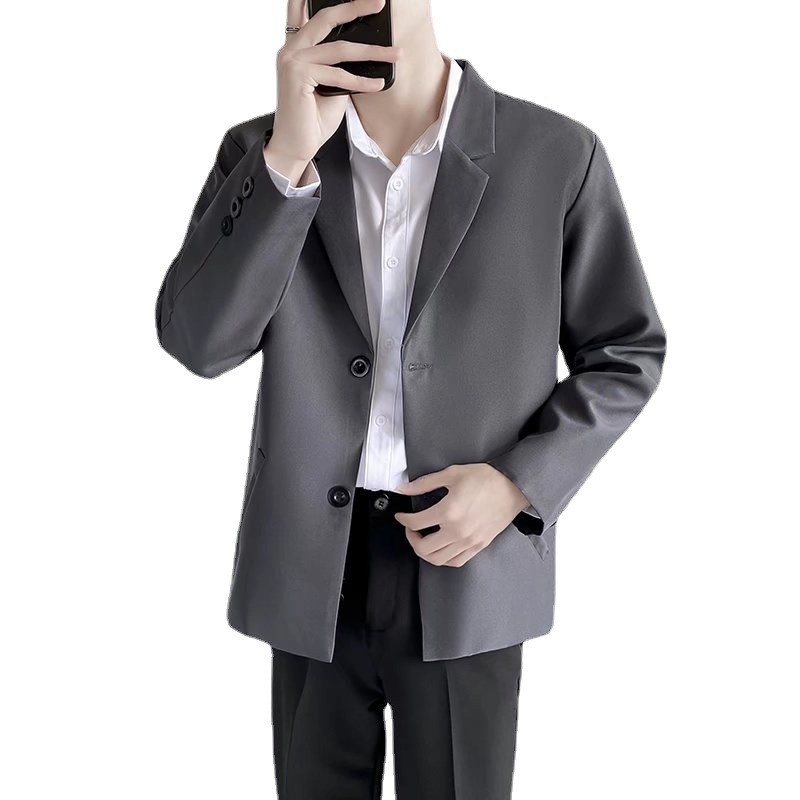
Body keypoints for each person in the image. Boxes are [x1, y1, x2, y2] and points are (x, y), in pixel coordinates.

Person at [154, 0, 667, 796]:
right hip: (310, 568)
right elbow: (200, 342)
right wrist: (287, 159)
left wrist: (516, 486)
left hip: (469, 563)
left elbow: (627, 351)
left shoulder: (555, 154)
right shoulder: (262, 153)